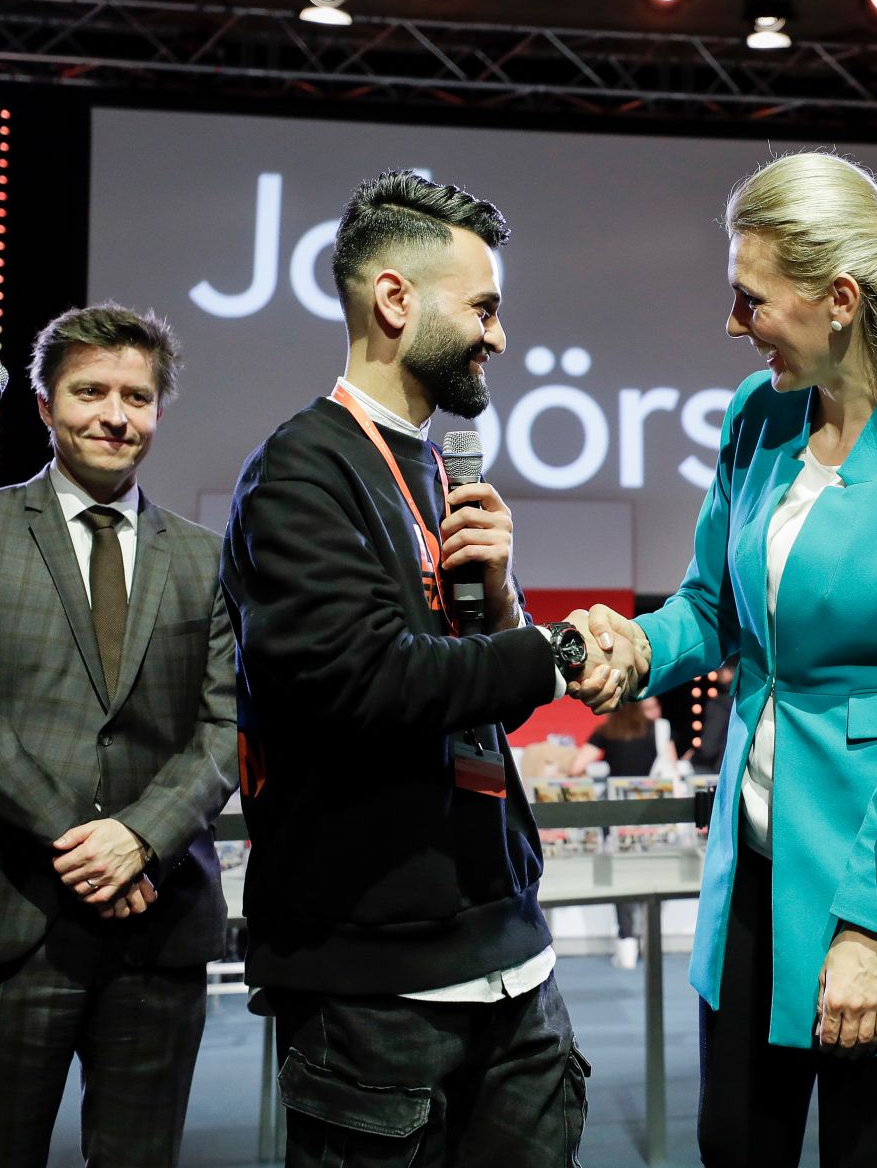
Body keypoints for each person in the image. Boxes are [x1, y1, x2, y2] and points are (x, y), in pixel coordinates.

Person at [587, 151, 877, 1168]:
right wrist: (630, 648)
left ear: (838, 299)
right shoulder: (757, 416)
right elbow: (708, 609)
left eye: (749, 301)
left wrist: (868, 931)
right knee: (732, 1146)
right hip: (751, 870)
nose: (732, 326)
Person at [220, 170, 619, 1167]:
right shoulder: (302, 468)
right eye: (482, 308)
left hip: (511, 963)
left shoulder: (440, 473)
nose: (497, 336)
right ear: (395, 300)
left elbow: (473, 709)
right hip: (373, 982)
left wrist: (505, 603)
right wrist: (552, 649)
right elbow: (361, 685)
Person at [0, 305, 238, 1167]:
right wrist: (90, 846)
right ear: (43, 403)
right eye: (90, 391)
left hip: (157, 926)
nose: (115, 414)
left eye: (136, 396)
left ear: (159, 411)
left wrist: (140, 839)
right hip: (5, 916)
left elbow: (227, 724)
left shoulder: (208, 557)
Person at [576, 695, 679, 969]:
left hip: (616, 813)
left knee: (621, 879)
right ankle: (649, 938)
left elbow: (576, 766)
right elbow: (672, 766)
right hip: (651, 813)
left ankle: (626, 942)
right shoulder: (657, 729)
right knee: (651, 875)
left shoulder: (606, 730)